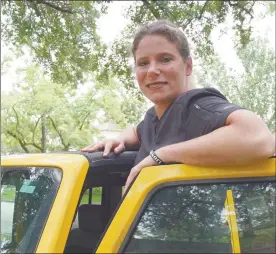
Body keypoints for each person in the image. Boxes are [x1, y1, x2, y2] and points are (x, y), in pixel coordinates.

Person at [81, 20, 274, 191]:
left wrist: (162, 155)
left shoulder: (195, 105)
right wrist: (120, 138)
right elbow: (139, 132)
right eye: (143, 63)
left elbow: (259, 138)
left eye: (165, 59)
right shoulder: (153, 118)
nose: (153, 70)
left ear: (187, 66)